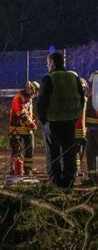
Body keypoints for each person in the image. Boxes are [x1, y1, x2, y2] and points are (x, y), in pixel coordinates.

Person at [37, 52, 84, 188]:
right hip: (70, 122)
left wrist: (43, 121)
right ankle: (69, 181)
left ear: (52, 63)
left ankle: (56, 183)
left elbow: (41, 103)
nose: (47, 66)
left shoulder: (48, 78)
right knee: (69, 152)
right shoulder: (73, 78)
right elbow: (81, 99)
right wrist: (75, 116)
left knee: (53, 153)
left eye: (47, 63)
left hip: (52, 123)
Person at [9, 81, 40, 175]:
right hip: (17, 129)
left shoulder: (29, 98)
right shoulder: (18, 98)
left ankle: (27, 169)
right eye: (34, 92)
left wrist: (33, 121)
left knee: (29, 150)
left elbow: (29, 113)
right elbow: (22, 115)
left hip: (27, 129)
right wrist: (32, 125)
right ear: (29, 89)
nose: (35, 94)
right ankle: (15, 169)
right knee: (16, 150)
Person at [83, 73, 98, 185]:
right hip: (91, 130)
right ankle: (92, 177)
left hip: (95, 130)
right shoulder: (92, 97)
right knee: (90, 153)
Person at [74, 78, 88, 176]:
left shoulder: (86, 99)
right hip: (75, 130)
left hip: (83, 130)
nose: (83, 90)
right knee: (75, 151)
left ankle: (77, 170)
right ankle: (75, 170)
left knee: (81, 151)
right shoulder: (74, 99)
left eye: (84, 88)